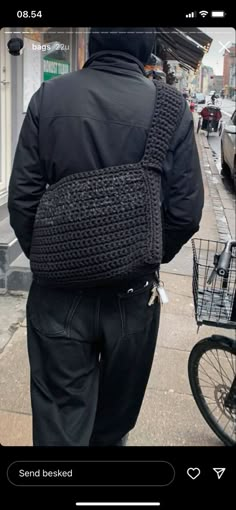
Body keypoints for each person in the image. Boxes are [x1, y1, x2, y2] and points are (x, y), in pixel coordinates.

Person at [8, 27, 204, 447]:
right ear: (148, 50)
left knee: (60, 419)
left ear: (94, 44)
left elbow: (22, 200)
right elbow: (185, 212)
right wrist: (141, 252)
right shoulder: (169, 108)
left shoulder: (49, 96)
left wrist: (53, 256)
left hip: (58, 295)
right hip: (131, 298)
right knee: (112, 424)